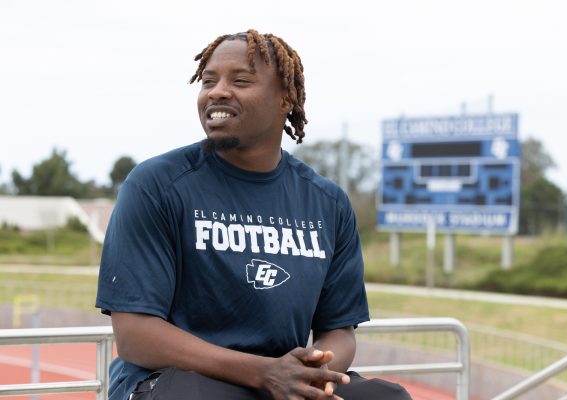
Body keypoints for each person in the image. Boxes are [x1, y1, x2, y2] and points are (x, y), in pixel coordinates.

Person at [96, 29, 411, 400]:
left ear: (285, 100)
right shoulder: (156, 185)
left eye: (240, 81)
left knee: (383, 397)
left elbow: (339, 331)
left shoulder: (327, 202)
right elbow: (135, 335)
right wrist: (264, 373)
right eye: (208, 81)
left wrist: (307, 373)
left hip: (279, 379)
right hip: (178, 378)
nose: (217, 91)